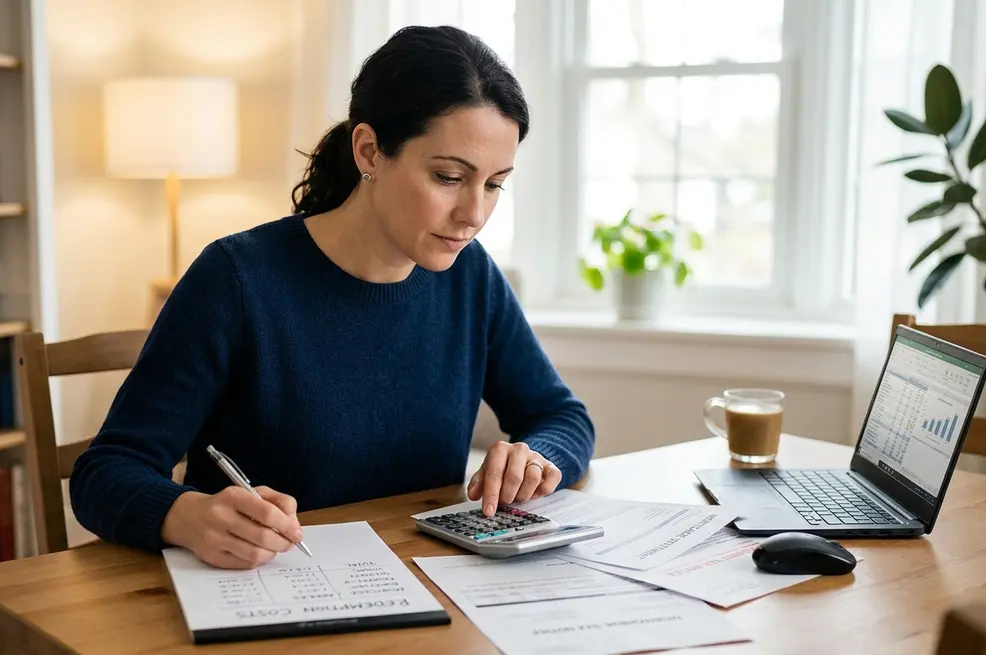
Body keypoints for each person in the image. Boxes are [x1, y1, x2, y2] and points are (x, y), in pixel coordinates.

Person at [68, 25, 595, 571]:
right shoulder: (236, 279)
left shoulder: (470, 276)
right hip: (270, 593)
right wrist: (186, 515)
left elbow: (563, 417)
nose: (474, 215)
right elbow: (106, 472)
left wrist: (535, 459)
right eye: (448, 177)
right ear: (369, 150)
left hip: (430, 589)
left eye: (493, 184)